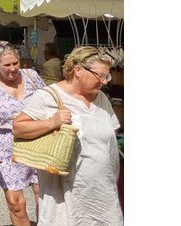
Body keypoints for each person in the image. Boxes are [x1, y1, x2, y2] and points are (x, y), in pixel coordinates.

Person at [14, 46, 122, 226]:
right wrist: (51, 122)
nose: (104, 81)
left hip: (103, 194)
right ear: (78, 70)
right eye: (100, 75)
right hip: (65, 195)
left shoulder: (101, 98)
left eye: (107, 76)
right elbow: (18, 128)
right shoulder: (48, 97)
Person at [0, 41, 47, 226]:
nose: (13, 69)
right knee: (16, 203)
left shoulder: (32, 77)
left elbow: (48, 101)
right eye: (7, 65)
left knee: (44, 197)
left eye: (15, 63)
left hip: (36, 142)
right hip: (4, 147)